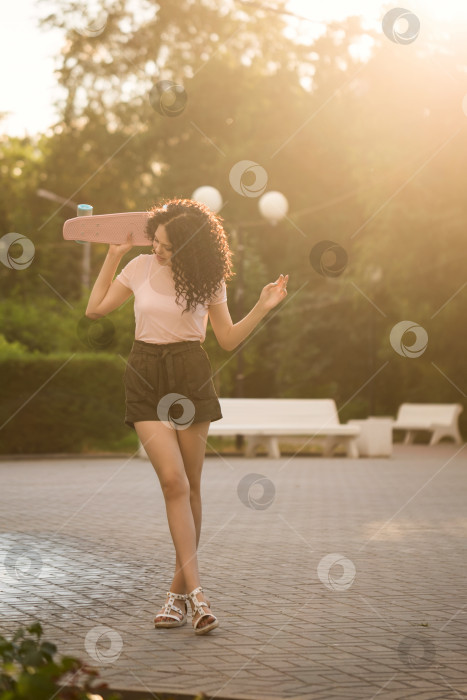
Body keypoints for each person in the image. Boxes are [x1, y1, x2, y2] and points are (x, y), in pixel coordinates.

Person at [85, 198, 289, 635]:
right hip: (145, 372)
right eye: (156, 241)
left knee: (192, 486)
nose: (159, 250)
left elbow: (228, 339)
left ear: (191, 248)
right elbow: (95, 309)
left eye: (168, 247)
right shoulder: (139, 267)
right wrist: (113, 255)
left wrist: (262, 306)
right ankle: (198, 597)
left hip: (190, 372)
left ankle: (176, 595)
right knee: (173, 482)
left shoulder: (207, 277)